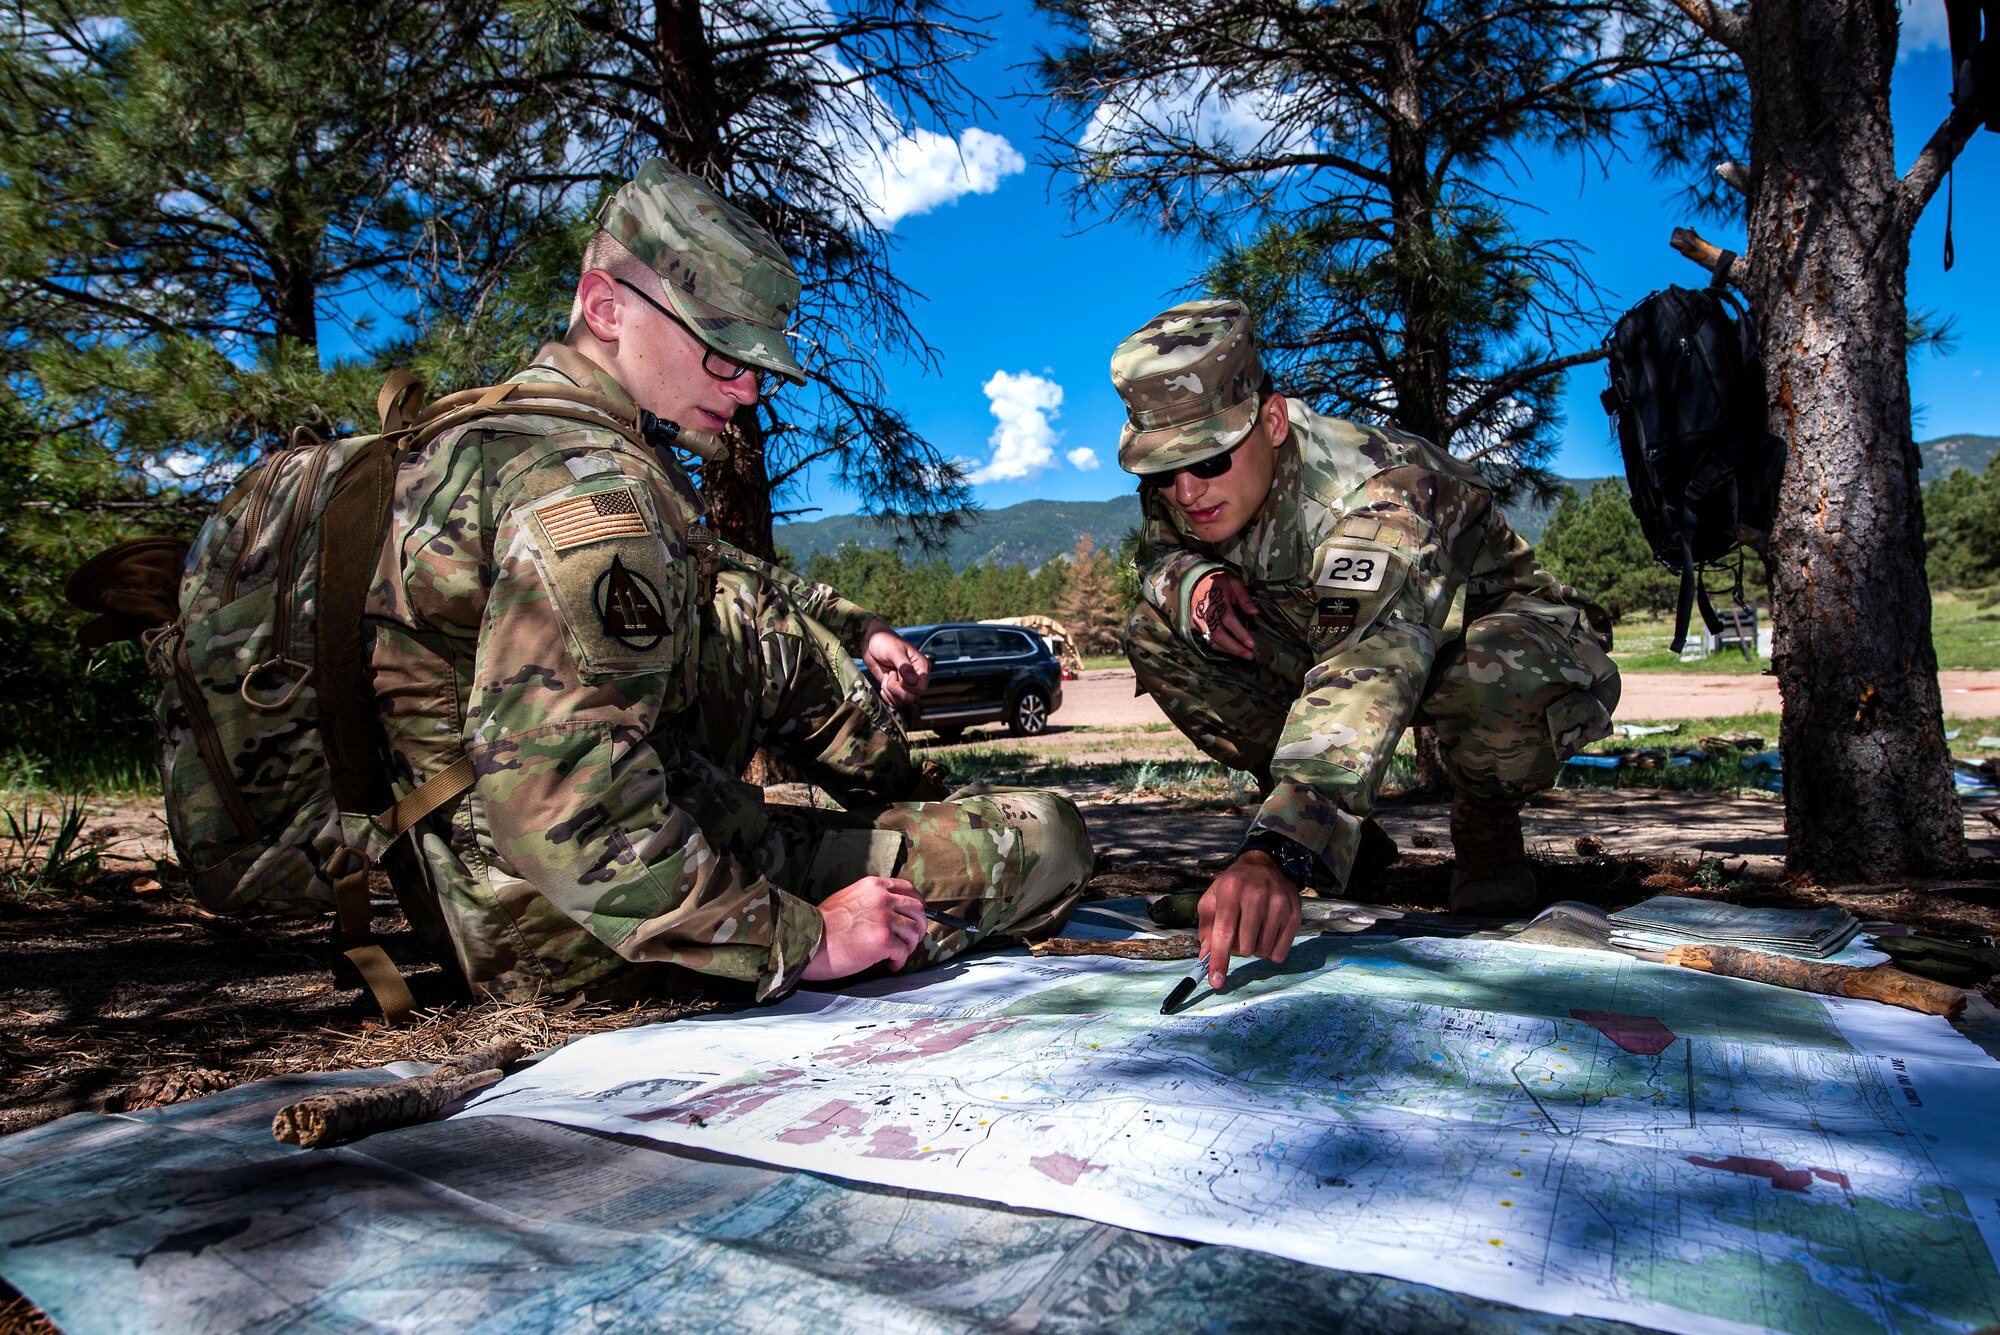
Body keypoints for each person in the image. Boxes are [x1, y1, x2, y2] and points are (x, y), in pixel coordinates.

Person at [365, 160, 1093, 1003]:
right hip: (576, 934)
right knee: (1049, 838)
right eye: (721, 352)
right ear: (605, 308)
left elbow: (722, 572)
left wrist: (855, 626)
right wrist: (807, 936)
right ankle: (916, 821)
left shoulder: (486, 440)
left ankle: (903, 807)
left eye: (755, 363)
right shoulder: (594, 488)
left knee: (750, 618)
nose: (747, 389)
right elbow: (562, 802)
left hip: (472, 895)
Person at [1113, 300, 1620, 989]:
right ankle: (1349, 843)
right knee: (1155, 630)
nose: (1187, 490)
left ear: (1272, 420)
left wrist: (1278, 852)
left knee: (1496, 669)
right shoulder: (1184, 484)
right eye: (1162, 471)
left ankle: (1486, 819)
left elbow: (1369, 661)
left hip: (1477, 644)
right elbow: (1158, 553)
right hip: (1333, 646)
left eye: (1208, 459)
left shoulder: (1376, 491)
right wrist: (1196, 580)